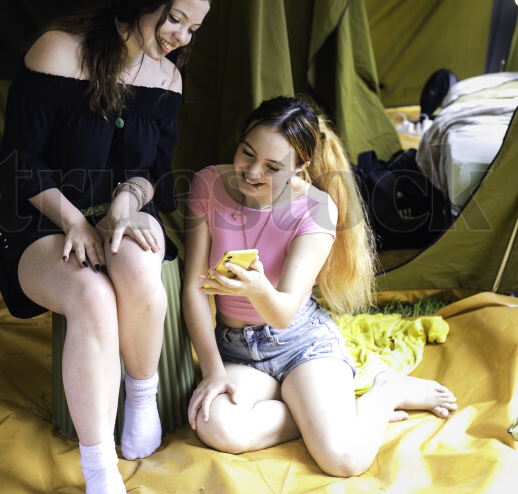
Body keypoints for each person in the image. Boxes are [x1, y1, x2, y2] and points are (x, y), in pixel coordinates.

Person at [0, 0, 212, 494]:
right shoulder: (58, 50)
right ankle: (99, 469)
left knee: (137, 265)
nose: (181, 37)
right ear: (144, 0)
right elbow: (19, 162)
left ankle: (141, 399)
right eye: (175, 19)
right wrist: (75, 222)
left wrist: (124, 205)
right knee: (92, 295)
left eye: (193, 28)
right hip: (42, 217)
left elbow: (153, 173)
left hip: (121, 209)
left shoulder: (167, 79)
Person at [182, 96, 457, 477]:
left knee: (344, 460)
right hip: (237, 350)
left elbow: (283, 314)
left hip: (301, 343)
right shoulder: (208, 183)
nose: (253, 172)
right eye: (247, 153)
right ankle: (311, 413)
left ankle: (386, 391)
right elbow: (193, 289)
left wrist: (257, 288)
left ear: (301, 166)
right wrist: (213, 371)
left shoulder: (316, 208)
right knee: (216, 425)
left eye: (272, 167)